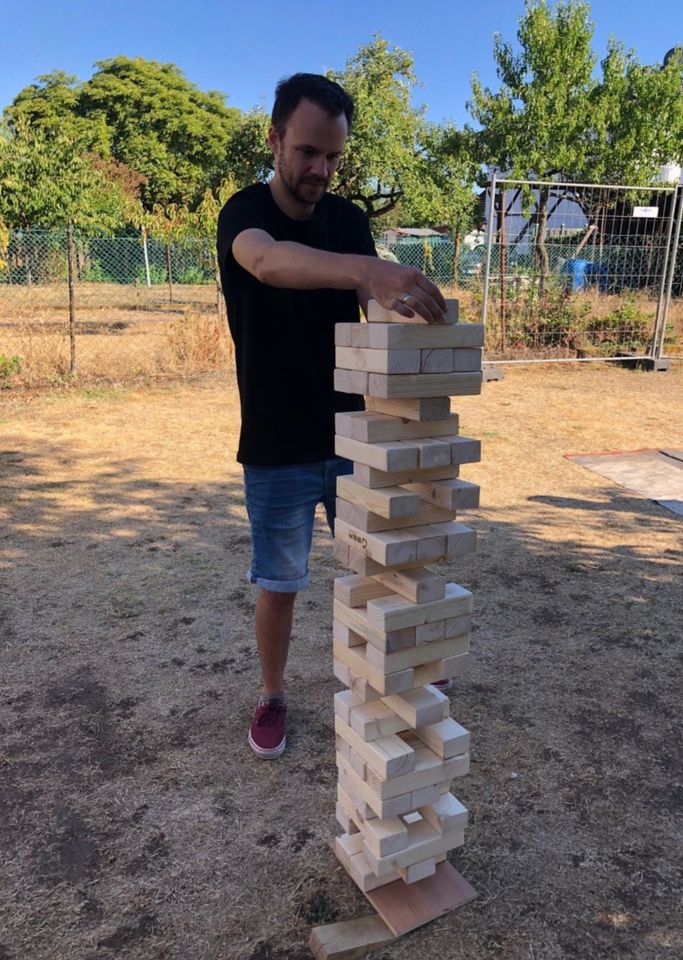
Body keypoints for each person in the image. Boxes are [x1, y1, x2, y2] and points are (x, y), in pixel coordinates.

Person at [216, 73, 446, 760]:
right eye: (309, 152)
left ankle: (383, 683)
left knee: (377, 569)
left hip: (355, 437)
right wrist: (363, 271)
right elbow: (271, 263)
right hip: (277, 440)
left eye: (335, 158)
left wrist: (420, 328)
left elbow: (375, 305)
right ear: (276, 139)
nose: (321, 170)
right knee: (281, 583)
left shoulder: (348, 221)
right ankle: (273, 694)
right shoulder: (244, 212)